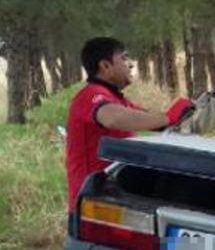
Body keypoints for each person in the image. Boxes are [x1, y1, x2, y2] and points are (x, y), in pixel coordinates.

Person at [66, 37, 193, 215]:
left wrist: (187, 113)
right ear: (105, 66)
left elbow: (148, 119)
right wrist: (167, 117)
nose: (131, 64)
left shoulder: (118, 100)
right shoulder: (90, 95)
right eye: (124, 58)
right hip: (93, 203)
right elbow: (113, 118)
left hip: (115, 196)